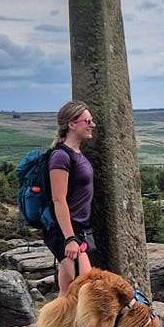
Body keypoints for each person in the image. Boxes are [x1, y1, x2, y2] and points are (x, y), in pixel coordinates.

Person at [43, 100, 96, 296]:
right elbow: (58, 199)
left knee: (66, 291)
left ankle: (56, 326)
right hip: (64, 231)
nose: (93, 125)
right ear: (72, 124)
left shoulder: (76, 153)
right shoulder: (61, 156)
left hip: (76, 229)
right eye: (88, 121)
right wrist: (70, 238)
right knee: (89, 287)